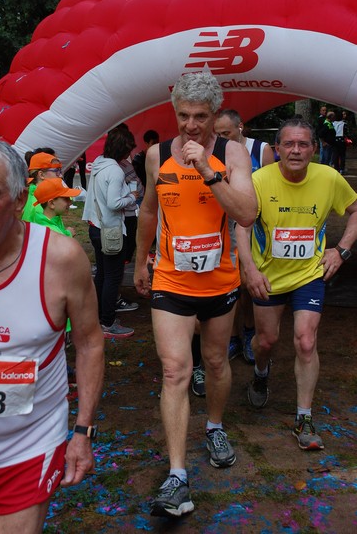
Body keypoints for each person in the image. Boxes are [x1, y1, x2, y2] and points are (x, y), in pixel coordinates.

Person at [0, 137, 104, 533]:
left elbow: (90, 342)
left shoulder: (61, 258)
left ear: (20, 199)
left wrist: (83, 432)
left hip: (27, 450)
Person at [134, 72, 257, 517]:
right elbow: (150, 208)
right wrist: (139, 260)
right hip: (171, 280)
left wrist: (208, 171)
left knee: (218, 362)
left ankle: (215, 425)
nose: (191, 125)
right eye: (183, 115)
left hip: (220, 282)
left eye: (201, 117)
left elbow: (247, 214)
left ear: (214, 114)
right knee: (174, 371)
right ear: (175, 112)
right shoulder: (156, 156)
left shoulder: (233, 153)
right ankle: (178, 474)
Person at [236, 118, 357, 452]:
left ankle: (304, 417)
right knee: (266, 341)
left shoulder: (328, 178)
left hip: (309, 275)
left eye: (303, 144)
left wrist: (342, 251)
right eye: (289, 144)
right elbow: (242, 227)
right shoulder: (259, 180)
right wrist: (248, 269)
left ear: (314, 150)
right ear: (277, 149)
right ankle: (261, 373)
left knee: (306, 342)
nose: (296, 150)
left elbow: (355, 210)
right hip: (268, 276)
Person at [214, 109, 274, 363]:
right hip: (223, 229)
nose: (220, 138)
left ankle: (249, 333)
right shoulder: (214, 150)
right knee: (230, 286)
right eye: (217, 134)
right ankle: (232, 338)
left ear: (240, 127)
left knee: (249, 287)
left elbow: (274, 186)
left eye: (225, 133)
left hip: (254, 229)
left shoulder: (260, 149)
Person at [83, 128, 140, 338]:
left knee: (102, 274)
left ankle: (97, 316)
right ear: (122, 150)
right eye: (127, 151)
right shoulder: (115, 171)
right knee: (112, 277)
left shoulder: (99, 163)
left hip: (95, 226)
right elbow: (114, 202)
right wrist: (132, 196)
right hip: (111, 230)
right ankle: (107, 322)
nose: (128, 155)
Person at [22, 152, 63, 222]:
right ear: (41, 175)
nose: (61, 176)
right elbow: (49, 232)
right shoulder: (40, 205)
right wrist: (67, 233)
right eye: (57, 171)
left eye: (60, 171)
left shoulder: (38, 197)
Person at [332, 110, 349, 174]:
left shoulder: (333, 123)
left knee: (335, 155)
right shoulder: (344, 123)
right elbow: (346, 132)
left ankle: (336, 168)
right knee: (342, 155)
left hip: (335, 140)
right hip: (342, 140)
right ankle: (342, 168)